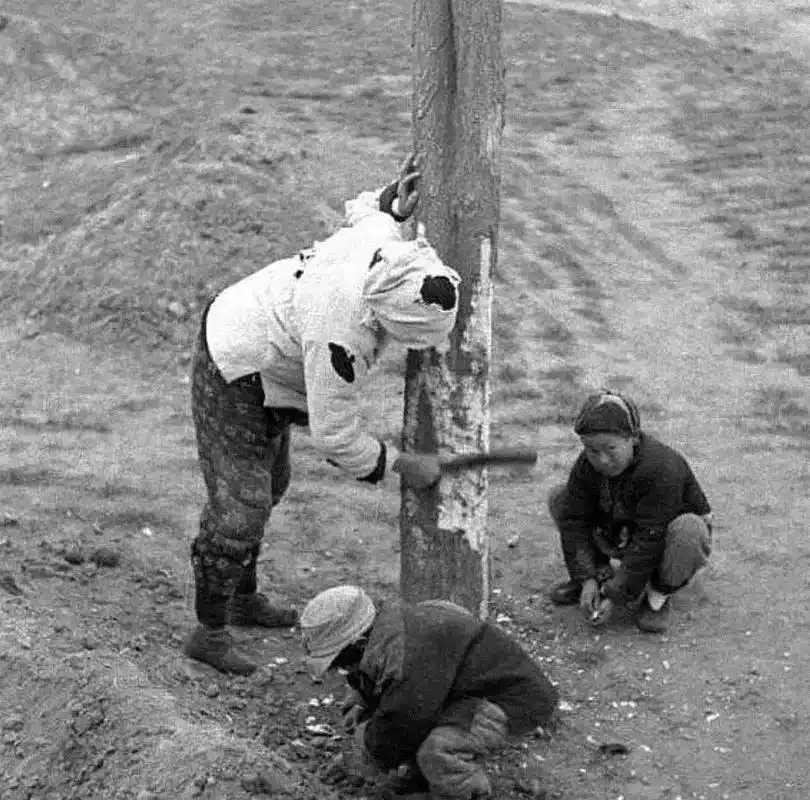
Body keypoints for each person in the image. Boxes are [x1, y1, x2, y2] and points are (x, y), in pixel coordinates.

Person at [186, 156, 462, 675]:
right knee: (240, 507)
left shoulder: (388, 250)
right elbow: (335, 437)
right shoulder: (341, 338)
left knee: (271, 484)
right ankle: (210, 633)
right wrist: (401, 464)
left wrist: (394, 200)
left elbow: (368, 213)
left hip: (273, 351)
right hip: (236, 362)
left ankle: (242, 599)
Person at [299, 585, 559, 799]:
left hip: (509, 696)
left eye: (340, 662)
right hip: (457, 688)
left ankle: (469, 793)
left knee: (437, 751)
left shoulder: (408, 656)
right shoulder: (386, 630)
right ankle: (424, 776)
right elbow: (375, 682)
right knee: (407, 724)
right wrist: (360, 702)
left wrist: (365, 746)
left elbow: (400, 726)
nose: (340, 670)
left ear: (358, 643)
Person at [547, 390, 713, 633]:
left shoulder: (662, 468)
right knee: (561, 499)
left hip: (663, 542)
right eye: (592, 450)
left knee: (690, 530)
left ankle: (657, 596)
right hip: (624, 531)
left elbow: (650, 539)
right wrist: (587, 576)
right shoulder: (586, 467)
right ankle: (598, 579)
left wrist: (616, 596)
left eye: (611, 448)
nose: (602, 459)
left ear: (633, 438)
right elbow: (574, 521)